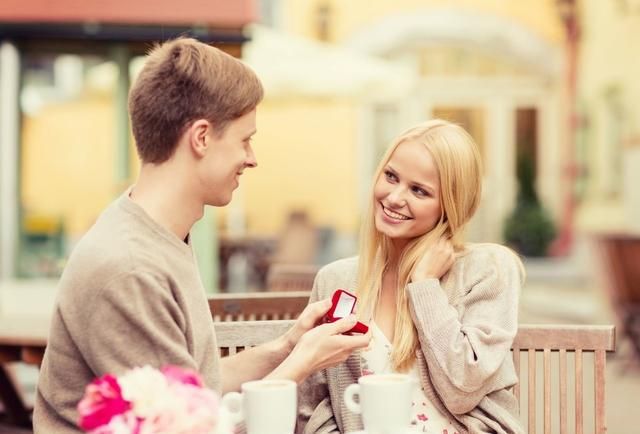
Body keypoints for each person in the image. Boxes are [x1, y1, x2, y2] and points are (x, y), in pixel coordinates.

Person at [33, 37, 370, 434]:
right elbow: (192, 427)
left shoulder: (158, 236)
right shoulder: (129, 268)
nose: (252, 157)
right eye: (245, 139)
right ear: (202, 137)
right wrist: (304, 363)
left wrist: (290, 345)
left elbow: (196, 388)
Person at [298, 120, 525, 434]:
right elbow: (313, 406)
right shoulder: (336, 279)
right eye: (391, 176)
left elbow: (463, 389)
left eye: (419, 190)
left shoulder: (489, 269)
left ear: (450, 206)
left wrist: (425, 286)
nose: (394, 197)